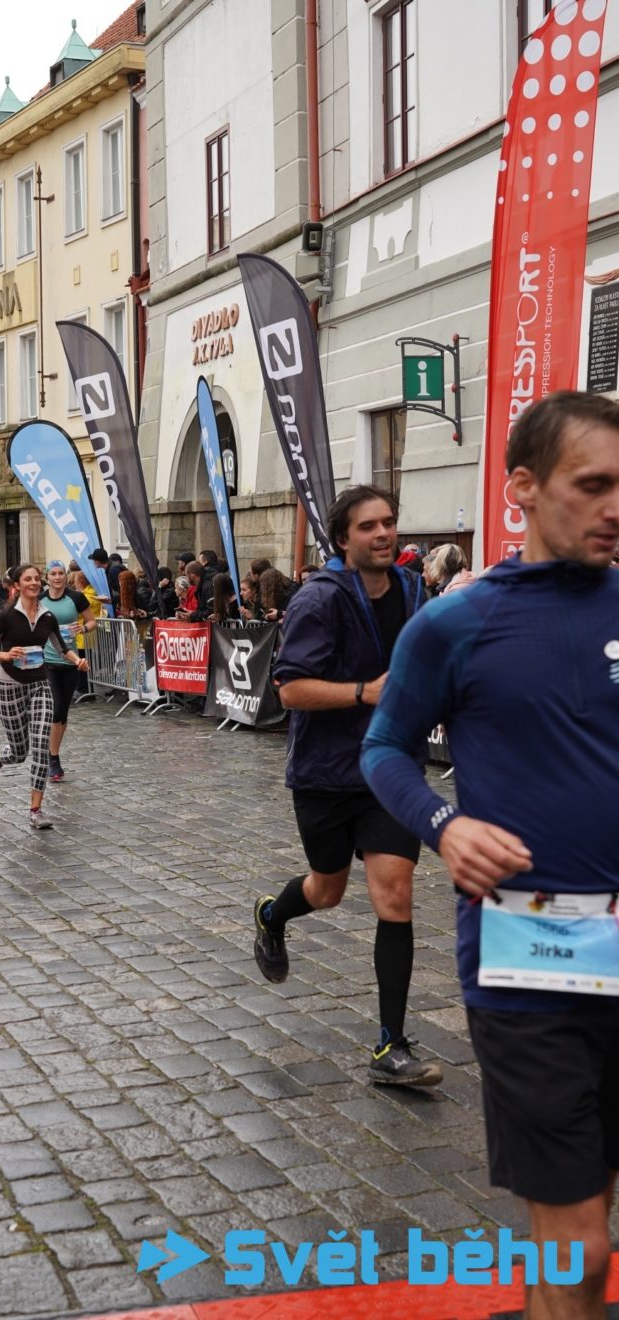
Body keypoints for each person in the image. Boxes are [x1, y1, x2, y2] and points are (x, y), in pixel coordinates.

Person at [361, 391, 619, 1317]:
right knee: (580, 1241)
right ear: (523, 487)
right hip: (529, 960)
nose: (615, 507)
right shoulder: (456, 623)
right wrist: (444, 825)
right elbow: (384, 748)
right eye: (593, 485)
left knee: (594, 1209)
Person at [252, 484, 440, 1087]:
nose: (383, 533)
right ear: (342, 539)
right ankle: (272, 915)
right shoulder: (319, 599)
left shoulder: (413, 590)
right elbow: (290, 690)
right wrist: (366, 692)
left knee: (395, 896)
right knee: (327, 890)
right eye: (368, 526)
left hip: (392, 769)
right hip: (327, 773)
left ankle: (390, 1047)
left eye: (389, 522)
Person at [0, 564, 87, 829]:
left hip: (40, 685)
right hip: (10, 686)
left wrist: (77, 661)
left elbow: (61, 648)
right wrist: (5, 655)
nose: (34, 583)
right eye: (28, 579)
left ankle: (36, 810)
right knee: (19, 751)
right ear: (17, 585)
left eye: (37, 579)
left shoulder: (47, 616)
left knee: (40, 748)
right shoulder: (7, 615)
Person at [41, 560, 96, 782]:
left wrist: (83, 628)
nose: (57, 577)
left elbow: (92, 621)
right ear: (47, 577)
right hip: (47, 661)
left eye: (60, 573)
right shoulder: (39, 599)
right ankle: (53, 759)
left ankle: (53, 751)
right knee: (55, 710)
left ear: (66, 576)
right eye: (53, 574)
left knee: (62, 714)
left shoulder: (76, 598)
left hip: (71, 661)